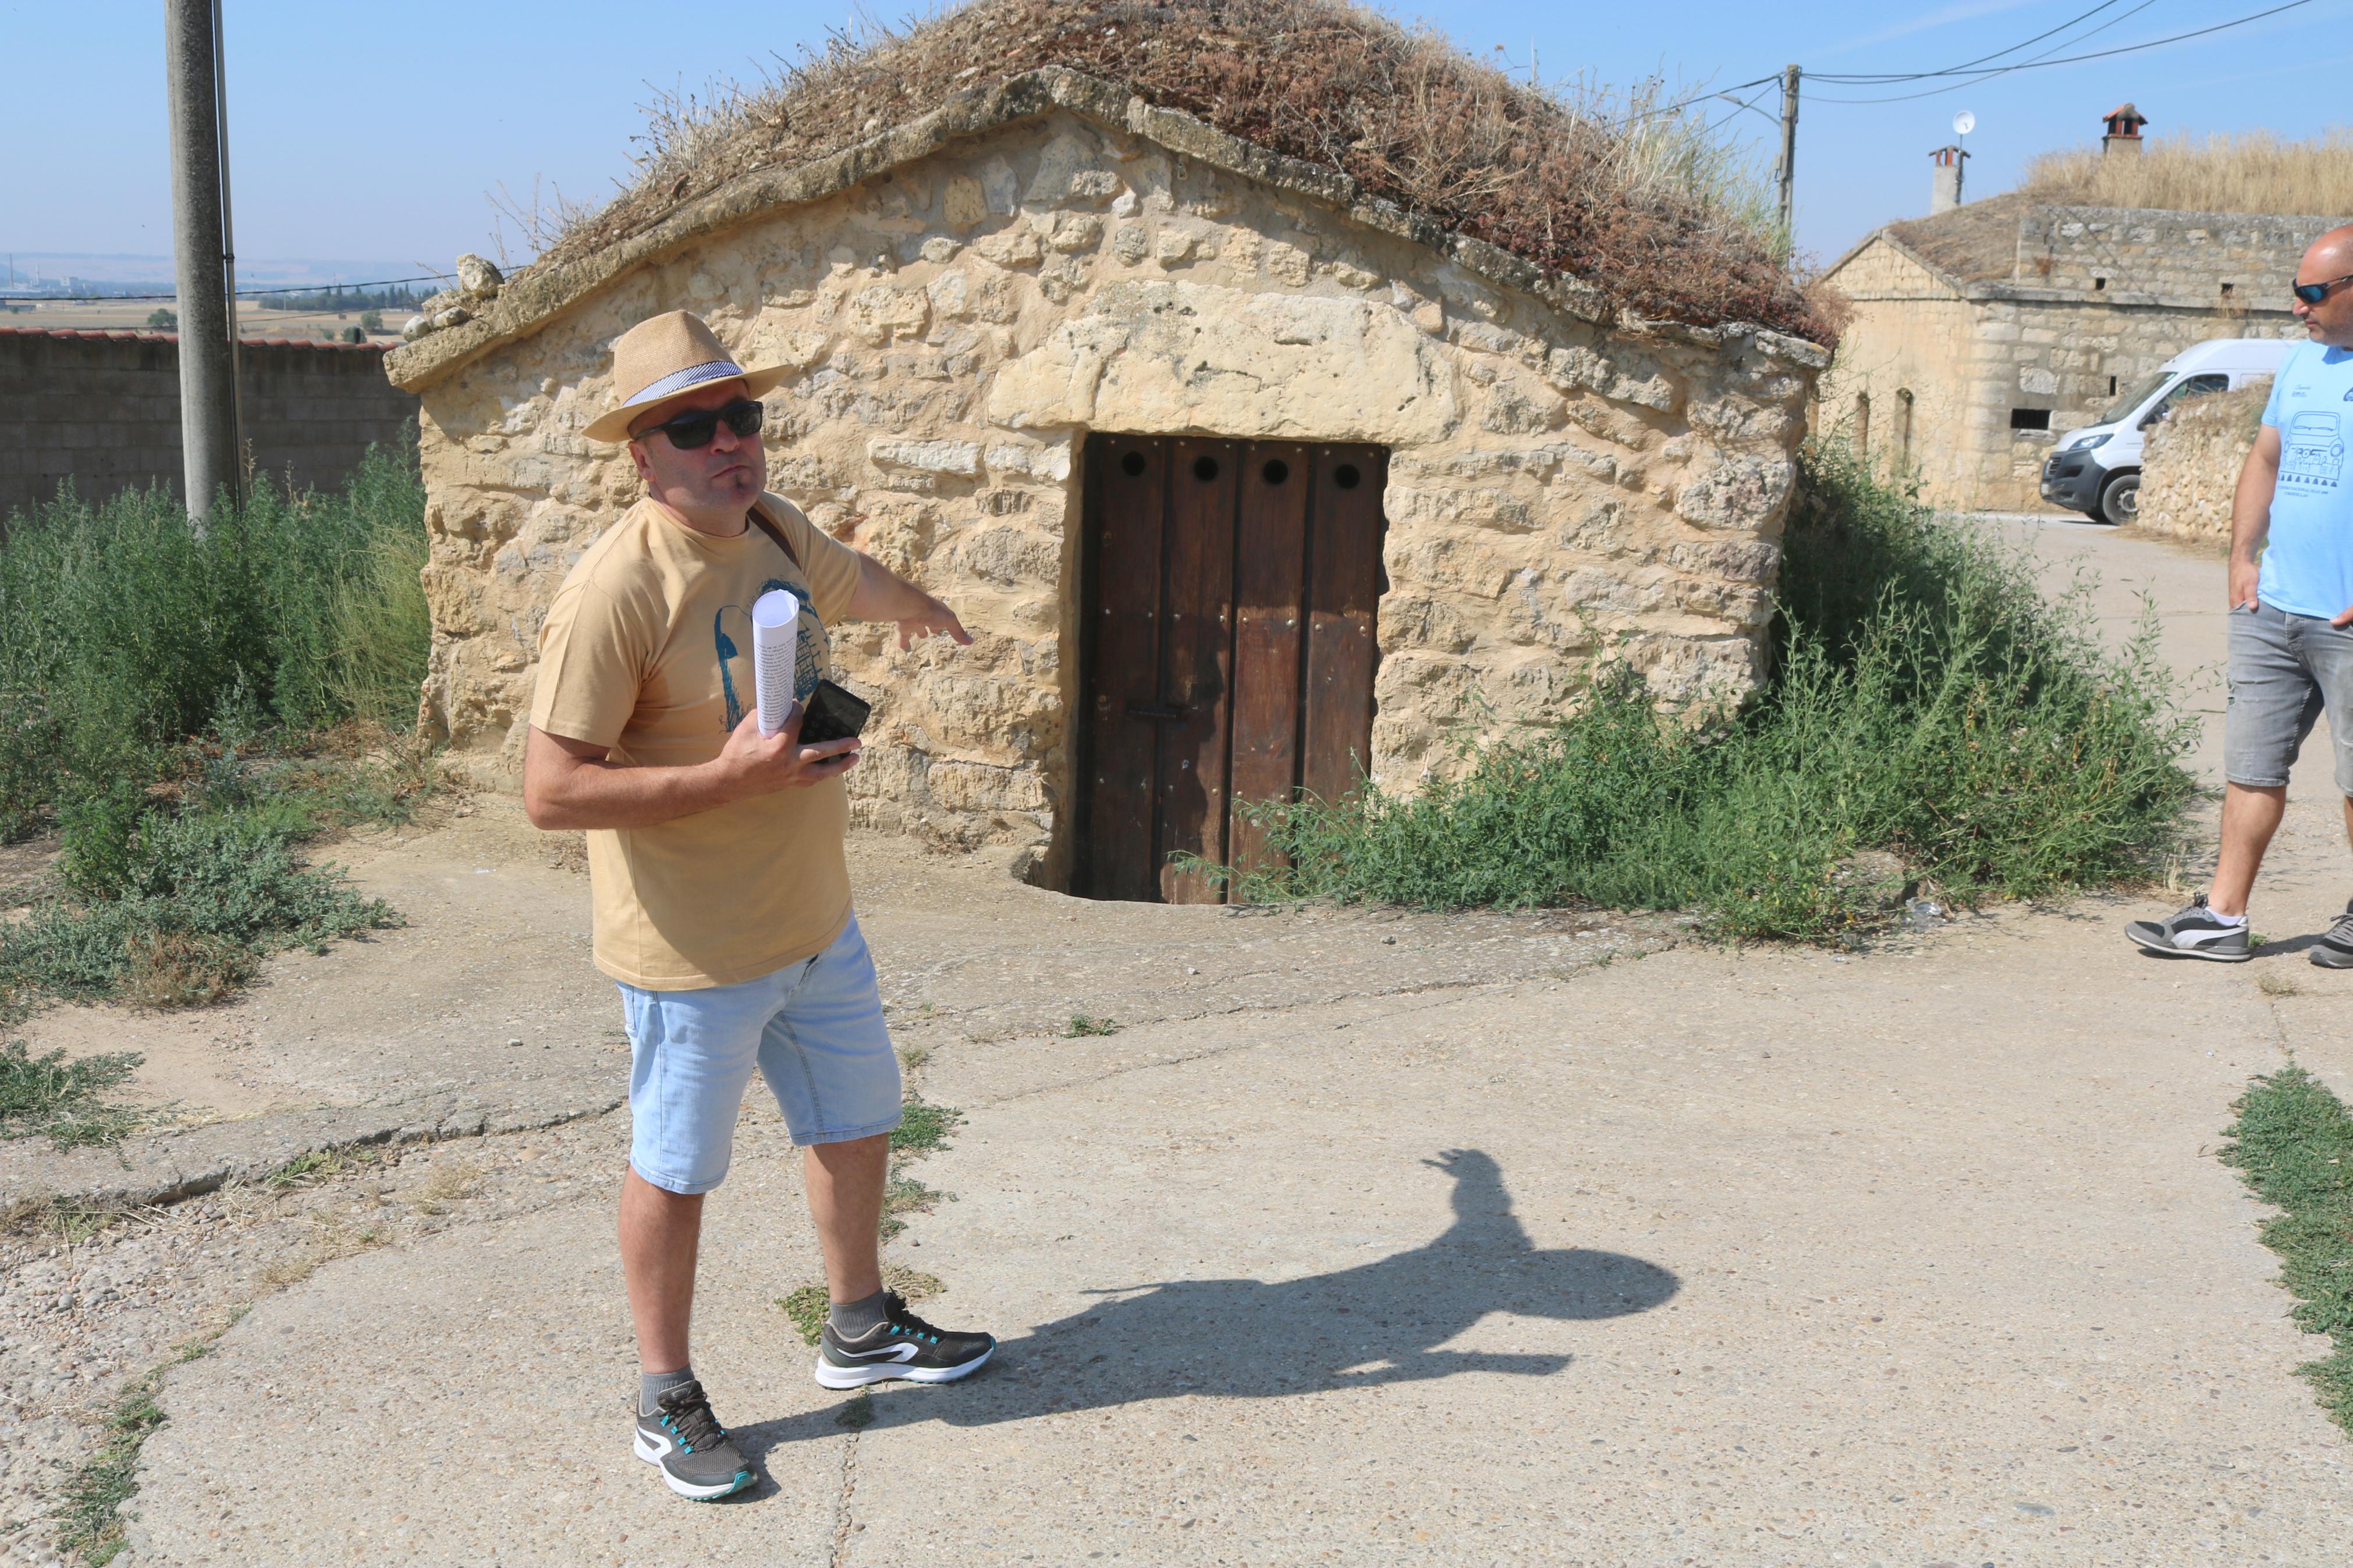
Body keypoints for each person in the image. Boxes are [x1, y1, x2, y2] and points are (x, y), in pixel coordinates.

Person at [523, 310, 996, 1501]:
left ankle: (858, 1328)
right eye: (692, 426)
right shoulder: (615, 592)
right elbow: (550, 789)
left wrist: (923, 608)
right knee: (676, 1169)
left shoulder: (773, 527)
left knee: (855, 1121)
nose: (727, 441)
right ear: (642, 453)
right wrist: (725, 780)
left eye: (741, 416)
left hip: (813, 923)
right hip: (693, 951)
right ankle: (663, 1396)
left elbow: (850, 573)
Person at [2130, 226, 2353, 967]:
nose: (2297, 307)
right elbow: (2264, 459)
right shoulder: (2301, 364)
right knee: (2251, 766)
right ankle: (2222, 919)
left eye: (2313, 293)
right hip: (2275, 609)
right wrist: (2240, 557)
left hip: (2346, 621)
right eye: (2296, 291)